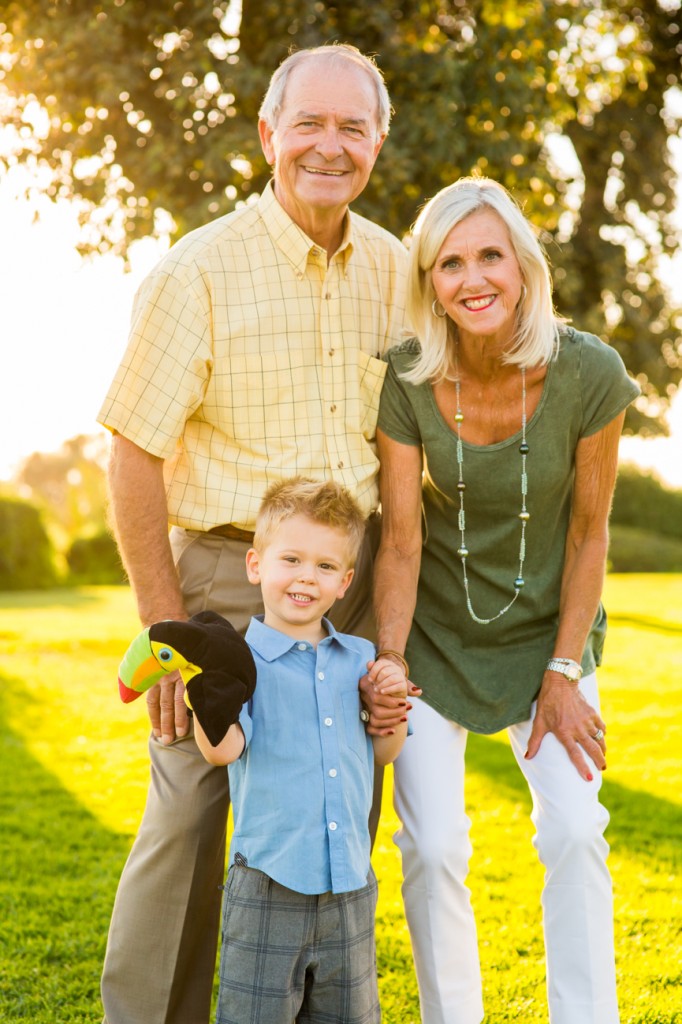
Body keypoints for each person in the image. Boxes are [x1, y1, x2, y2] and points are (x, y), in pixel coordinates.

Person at [98, 44, 410, 1024]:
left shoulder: (399, 270)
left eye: (351, 127)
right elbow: (133, 456)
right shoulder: (197, 269)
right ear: (269, 135)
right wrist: (168, 630)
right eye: (307, 124)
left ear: (377, 143)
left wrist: (388, 637)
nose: (329, 145)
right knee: (191, 814)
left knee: (329, 817)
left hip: (346, 591)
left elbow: (406, 461)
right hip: (227, 591)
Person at [369, 176, 640, 1024]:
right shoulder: (408, 379)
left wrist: (564, 669)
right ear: (430, 282)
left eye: (490, 254)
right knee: (435, 846)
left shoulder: (589, 371)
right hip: (436, 640)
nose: (472, 277)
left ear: (522, 265)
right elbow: (402, 540)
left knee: (572, 831)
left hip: (550, 644)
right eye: (450, 262)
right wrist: (388, 660)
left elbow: (588, 533)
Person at [193, 477, 408, 1024]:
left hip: (349, 888)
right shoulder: (238, 661)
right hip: (268, 885)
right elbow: (223, 751)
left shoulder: (360, 658)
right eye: (291, 559)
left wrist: (390, 698)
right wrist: (209, 697)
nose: (306, 577)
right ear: (255, 564)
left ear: (345, 582)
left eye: (325, 566)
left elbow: (384, 752)